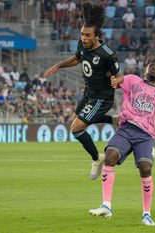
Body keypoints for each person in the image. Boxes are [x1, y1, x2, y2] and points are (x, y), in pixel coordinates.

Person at [89, 63, 155, 226]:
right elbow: (117, 79)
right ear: (145, 71)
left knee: (145, 168)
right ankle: (106, 205)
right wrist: (110, 74)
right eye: (152, 66)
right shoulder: (133, 81)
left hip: (146, 136)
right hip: (126, 128)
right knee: (110, 156)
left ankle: (146, 214)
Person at [43, 3, 122, 180]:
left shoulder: (106, 54)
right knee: (78, 119)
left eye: (87, 36)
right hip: (88, 93)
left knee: (76, 128)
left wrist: (115, 80)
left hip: (101, 97)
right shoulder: (82, 45)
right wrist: (59, 66)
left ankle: (97, 158)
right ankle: (114, 120)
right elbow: (77, 58)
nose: (84, 38)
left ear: (96, 36)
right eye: (82, 34)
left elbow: (120, 75)